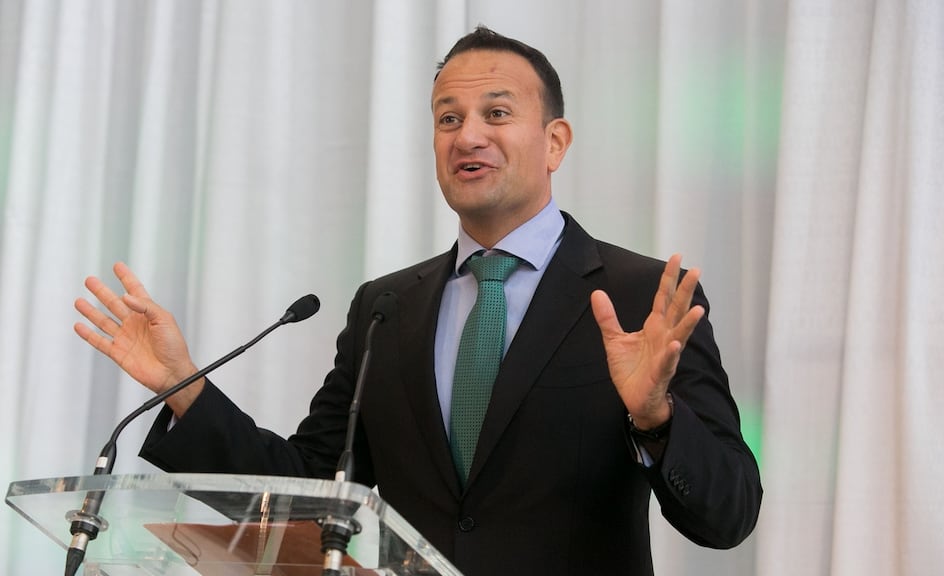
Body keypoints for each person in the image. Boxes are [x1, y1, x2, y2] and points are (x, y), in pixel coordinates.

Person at [75, 26, 761, 576]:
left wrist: (657, 419)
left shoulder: (644, 297)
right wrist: (182, 388)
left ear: (555, 142)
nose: (468, 135)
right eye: (448, 117)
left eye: (496, 113)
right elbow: (311, 486)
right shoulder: (387, 308)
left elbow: (728, 515)